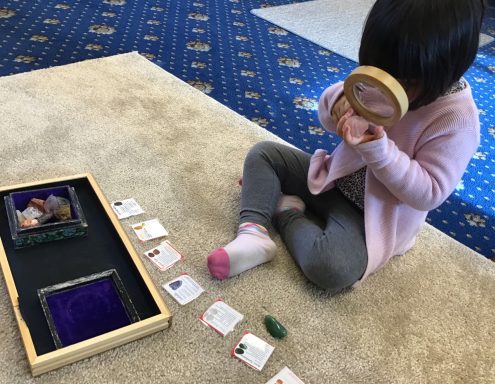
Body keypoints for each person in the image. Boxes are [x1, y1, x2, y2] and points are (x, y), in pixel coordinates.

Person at [207, 0, 485, 294]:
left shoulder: (457, 122)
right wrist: (338, 100)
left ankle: (286, 212)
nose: (385, 85)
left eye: (401, 81)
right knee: (264, 154)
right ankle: (253, 232)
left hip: (370, 220)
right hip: (330, 181)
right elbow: (329, 117)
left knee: (331, 267)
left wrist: (379, 149)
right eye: (377, 71)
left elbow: (429, 193)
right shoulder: (390, 72)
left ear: (445, 73)